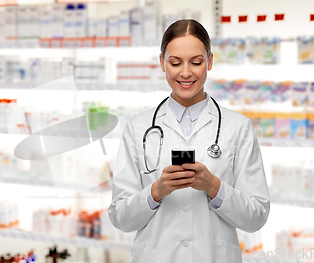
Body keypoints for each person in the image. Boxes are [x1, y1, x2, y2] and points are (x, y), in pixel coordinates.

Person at [108, 19, 270, 263]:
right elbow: (120, 217)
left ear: (210, 61)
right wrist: (156, 191)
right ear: (162, 63)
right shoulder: (138, 128)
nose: (185, 72)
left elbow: (256, 217)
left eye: (196, 62)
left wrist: (214, 187)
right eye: (175, 63)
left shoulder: (238, 127)